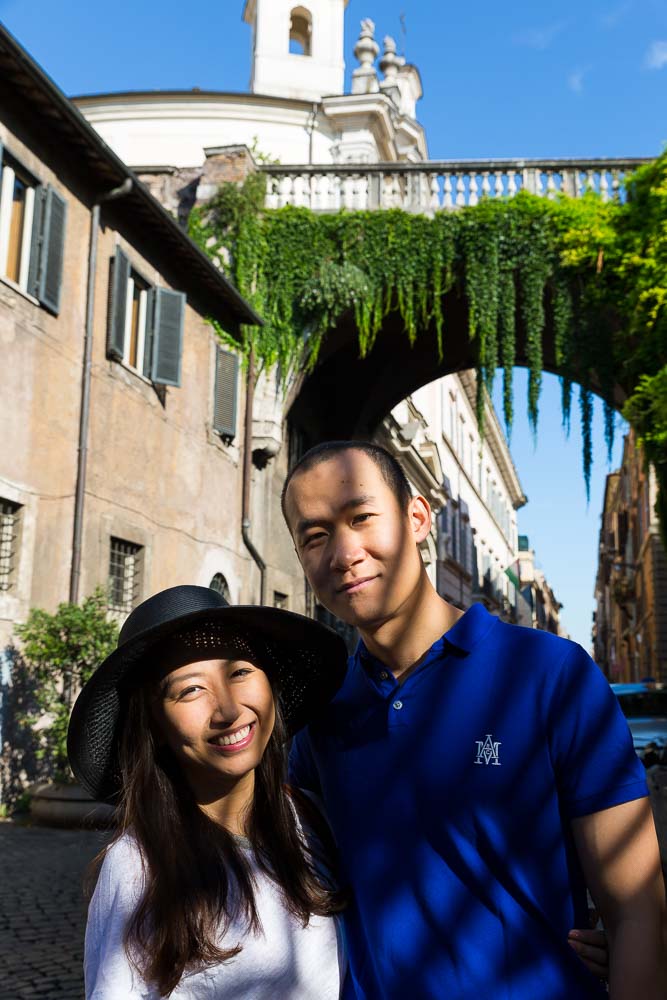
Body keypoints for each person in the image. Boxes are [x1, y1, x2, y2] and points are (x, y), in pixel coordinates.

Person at [282, 440, 667, 1000]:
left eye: (361, 518)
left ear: (417, 517)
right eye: (314, 537)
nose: (343, 553)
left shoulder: (550, 675)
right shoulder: (321, 712)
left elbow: (638, 914)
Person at [67, 584, 350, 999]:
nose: (229, 710)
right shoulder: (137, 868)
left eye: (239, 672)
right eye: (190, 690)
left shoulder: (310, 819)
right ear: (156, 727)